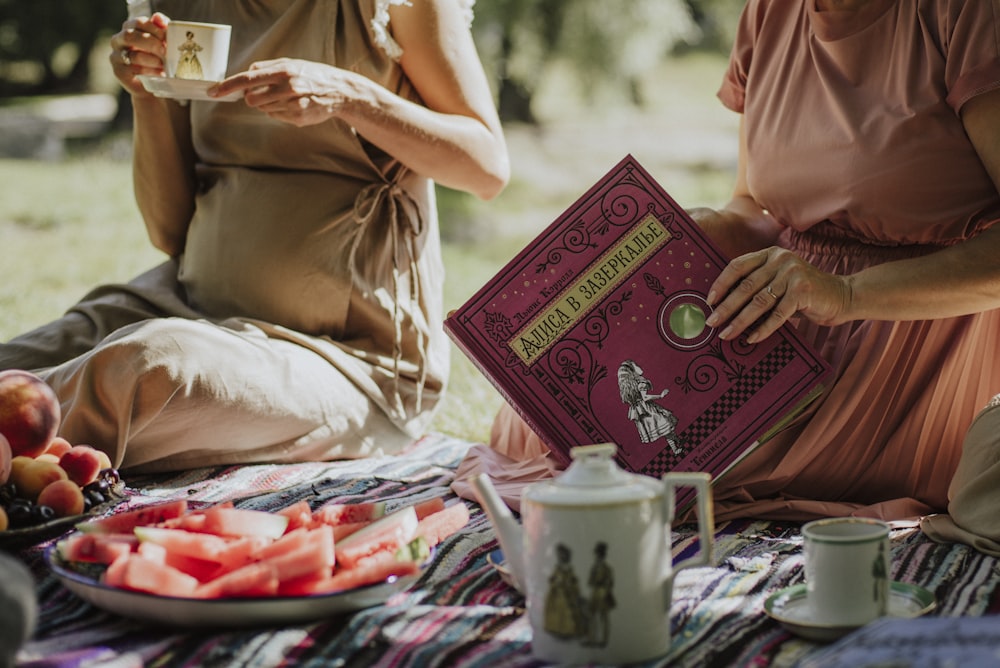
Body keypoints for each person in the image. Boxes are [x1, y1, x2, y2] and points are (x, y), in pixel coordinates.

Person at [489, 0, 1000, 549]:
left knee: (640, 476)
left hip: (912, 351)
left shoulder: (966, 13)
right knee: (547, 426)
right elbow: (754, 204)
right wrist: (701, 232)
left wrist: (846, 293)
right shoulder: (770, 12)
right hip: (783, 313)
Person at [0, 0, 509, 472]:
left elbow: (486, 168)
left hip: (352, 363)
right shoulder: (182, 8)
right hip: (189, 303)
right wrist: (146, 94)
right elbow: (169, 231)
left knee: (146, 365)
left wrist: (351, 96)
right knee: (20, 362)